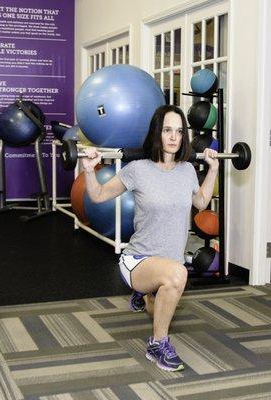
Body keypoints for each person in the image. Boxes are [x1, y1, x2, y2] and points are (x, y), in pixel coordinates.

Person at [81, 104, 219, 371]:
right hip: (139, 259)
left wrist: (212, 169)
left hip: (168, 261)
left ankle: (143, 294)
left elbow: (201, 202)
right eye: (167, 130)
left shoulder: (187, 170)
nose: (173, 137)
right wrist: (88, 169)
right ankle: (157, 346)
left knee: (158, 309)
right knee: (178, 276)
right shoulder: (138, 170)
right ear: (157, 133)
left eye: (179, 132)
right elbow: (98, 196)